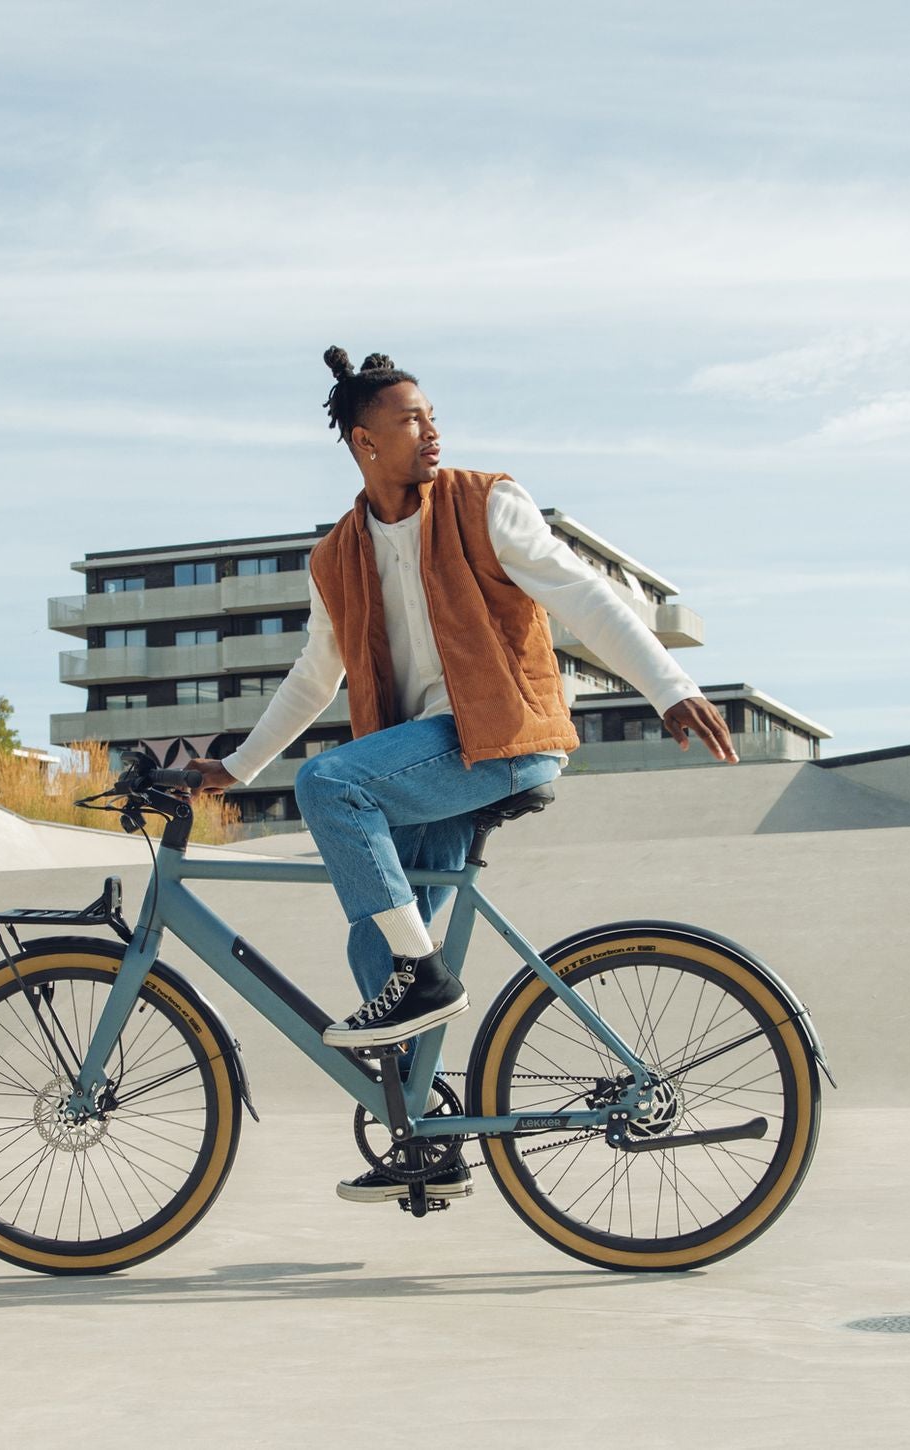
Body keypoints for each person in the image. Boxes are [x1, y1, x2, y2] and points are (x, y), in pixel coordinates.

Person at [189, 346, 737, 1203]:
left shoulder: (488, 505)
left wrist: (671, 686)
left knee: (331, 787)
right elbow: (314, 676)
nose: (431, 431)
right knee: (377, 938)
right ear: (366, 443)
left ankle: (429, 976)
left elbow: (586, 597)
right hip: (424, 757)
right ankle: (423, 1139)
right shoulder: (336, 555)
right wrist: (232, 766)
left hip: (503, 737)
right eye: (412, 420)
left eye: (433, 415)